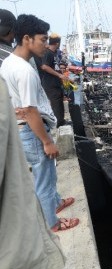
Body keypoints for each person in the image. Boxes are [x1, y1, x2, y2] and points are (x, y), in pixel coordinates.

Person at [0, 14, 79, 232]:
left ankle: (57, 202)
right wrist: (47, 141)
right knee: (43, 179)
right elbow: (30, 111)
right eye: (42, 40)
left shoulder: (9, 63)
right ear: (27, 38)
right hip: (34, 132)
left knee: (49, 173)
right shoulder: (25, 71)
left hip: (25, 128)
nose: (46, 45)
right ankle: (52, 224)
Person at [34, 32, 69, 127]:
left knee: (59, 103)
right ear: (57, 43)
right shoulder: (48, 53)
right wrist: (59, 75)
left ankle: (61, 121)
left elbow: (55, 66)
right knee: (56, 105)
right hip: (50, 84)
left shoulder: (55, 53)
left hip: (56, 84)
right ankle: (58, 124)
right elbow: (44, 66)